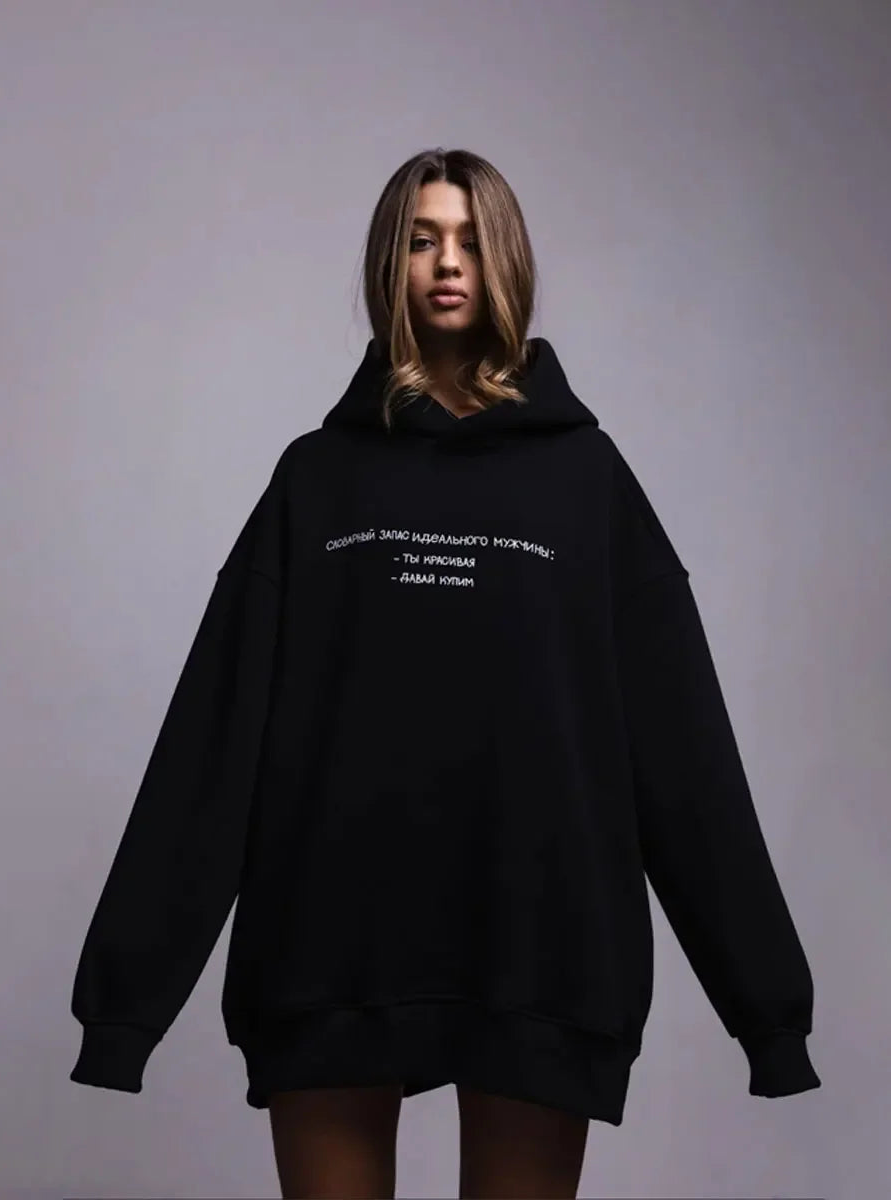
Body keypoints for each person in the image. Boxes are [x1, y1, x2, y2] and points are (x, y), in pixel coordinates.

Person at [68, 148, 821, 1199]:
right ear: (392, 263)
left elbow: (683, 749)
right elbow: (214, 736)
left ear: (509, 261)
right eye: (423, 240)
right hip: (328, 954)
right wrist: (125, 1008)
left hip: (541, 957)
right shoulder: (318, 480)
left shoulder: (586, 482)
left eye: (471, 240)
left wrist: (767, 1012)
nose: (448, 263)